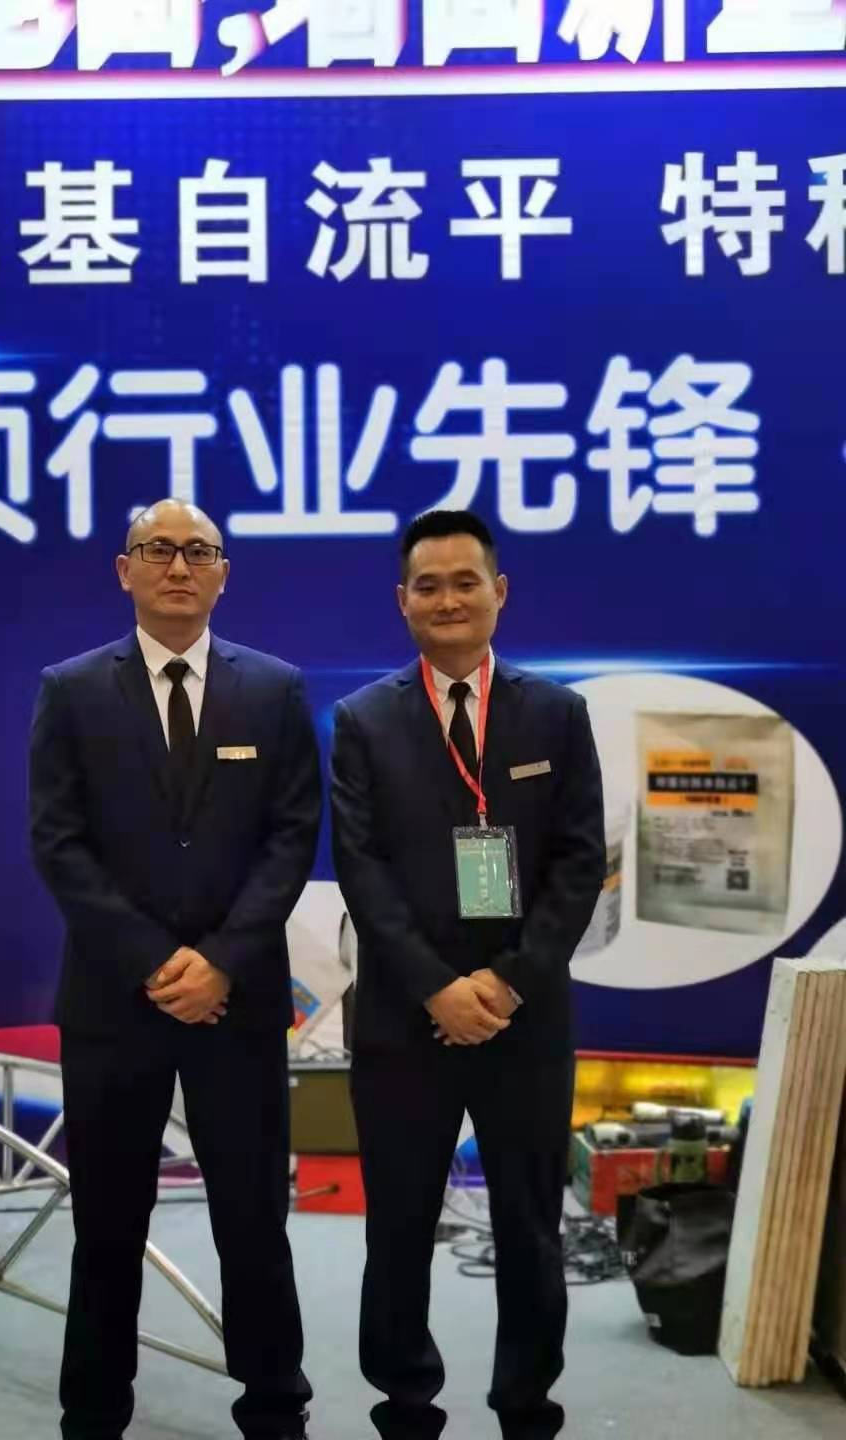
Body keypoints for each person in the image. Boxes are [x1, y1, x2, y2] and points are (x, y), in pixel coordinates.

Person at [30, 499, 320, 1440]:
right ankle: (93, 1415)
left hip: (238, 1004)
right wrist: (157, 961)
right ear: (126, 571)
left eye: (200, 552)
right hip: (115, 1003)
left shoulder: (274, 689)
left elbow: (291, 839)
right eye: (159, 550)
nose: (180, 567)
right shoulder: (72, 690)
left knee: (253, 1222)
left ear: (224, 574)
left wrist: (222, 962)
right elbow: (59, 843)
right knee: (107, 1227)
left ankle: (275, 1411)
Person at [330, 509, 605, 1440]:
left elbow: (578, 863)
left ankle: (528, 1406)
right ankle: (406, 1406)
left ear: (500, 591)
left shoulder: (556, 714)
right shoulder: (363, 721)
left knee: (530, 1225)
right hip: (404, 1021)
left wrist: (508, 982)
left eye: (465, 581)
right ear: (402, 601)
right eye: (428, 585)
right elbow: (361, 869)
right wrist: (437, 988)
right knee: (398, 1227)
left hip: (525, 1020)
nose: (447, 599)